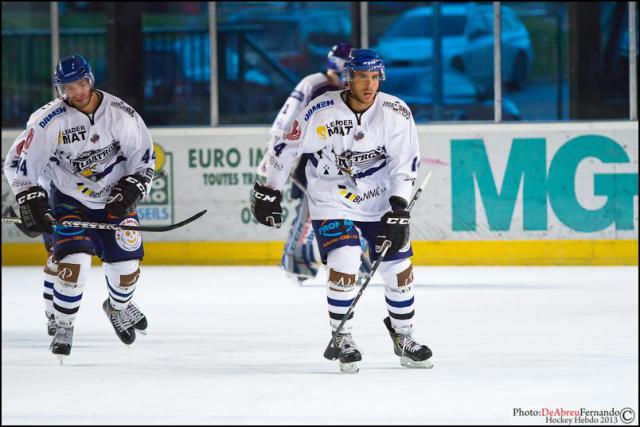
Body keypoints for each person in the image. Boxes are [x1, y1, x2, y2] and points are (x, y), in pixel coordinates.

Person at [250, 49, 433, 373]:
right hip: (331, 197)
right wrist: (270, 189)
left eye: (374, 77)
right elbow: (284, 148)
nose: (368, 84)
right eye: (362, 76)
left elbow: (405, 167)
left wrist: (399, 207)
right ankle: (343, 336)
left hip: (379, 202)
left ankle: (403, 335)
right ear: (349, 78)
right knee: (345, 261)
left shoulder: (395, 113)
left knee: (399, 268)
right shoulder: (320, 111)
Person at [6, 53, 153, 360]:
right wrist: (29, 198)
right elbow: (21, 165)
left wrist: (133, 187)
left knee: (127, 272)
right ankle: (62, 323)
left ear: (91, 80)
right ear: (59, 89)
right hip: (69, 199)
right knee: (73, 265)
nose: (76, 92)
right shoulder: (47, 121)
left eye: (80, 84)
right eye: (67, 87)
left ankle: (118, 307)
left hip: (115, 199)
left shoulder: (120, 114)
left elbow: (143, 158)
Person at [257, 43, 356, 283]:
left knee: (351, 209)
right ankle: (295, 261)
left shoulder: (350, 88)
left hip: (341, 161)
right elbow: (287, 119)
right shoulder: (313, 83)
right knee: (310, 213)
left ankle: (352, 260)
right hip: (309, 158)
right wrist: (274, 154)